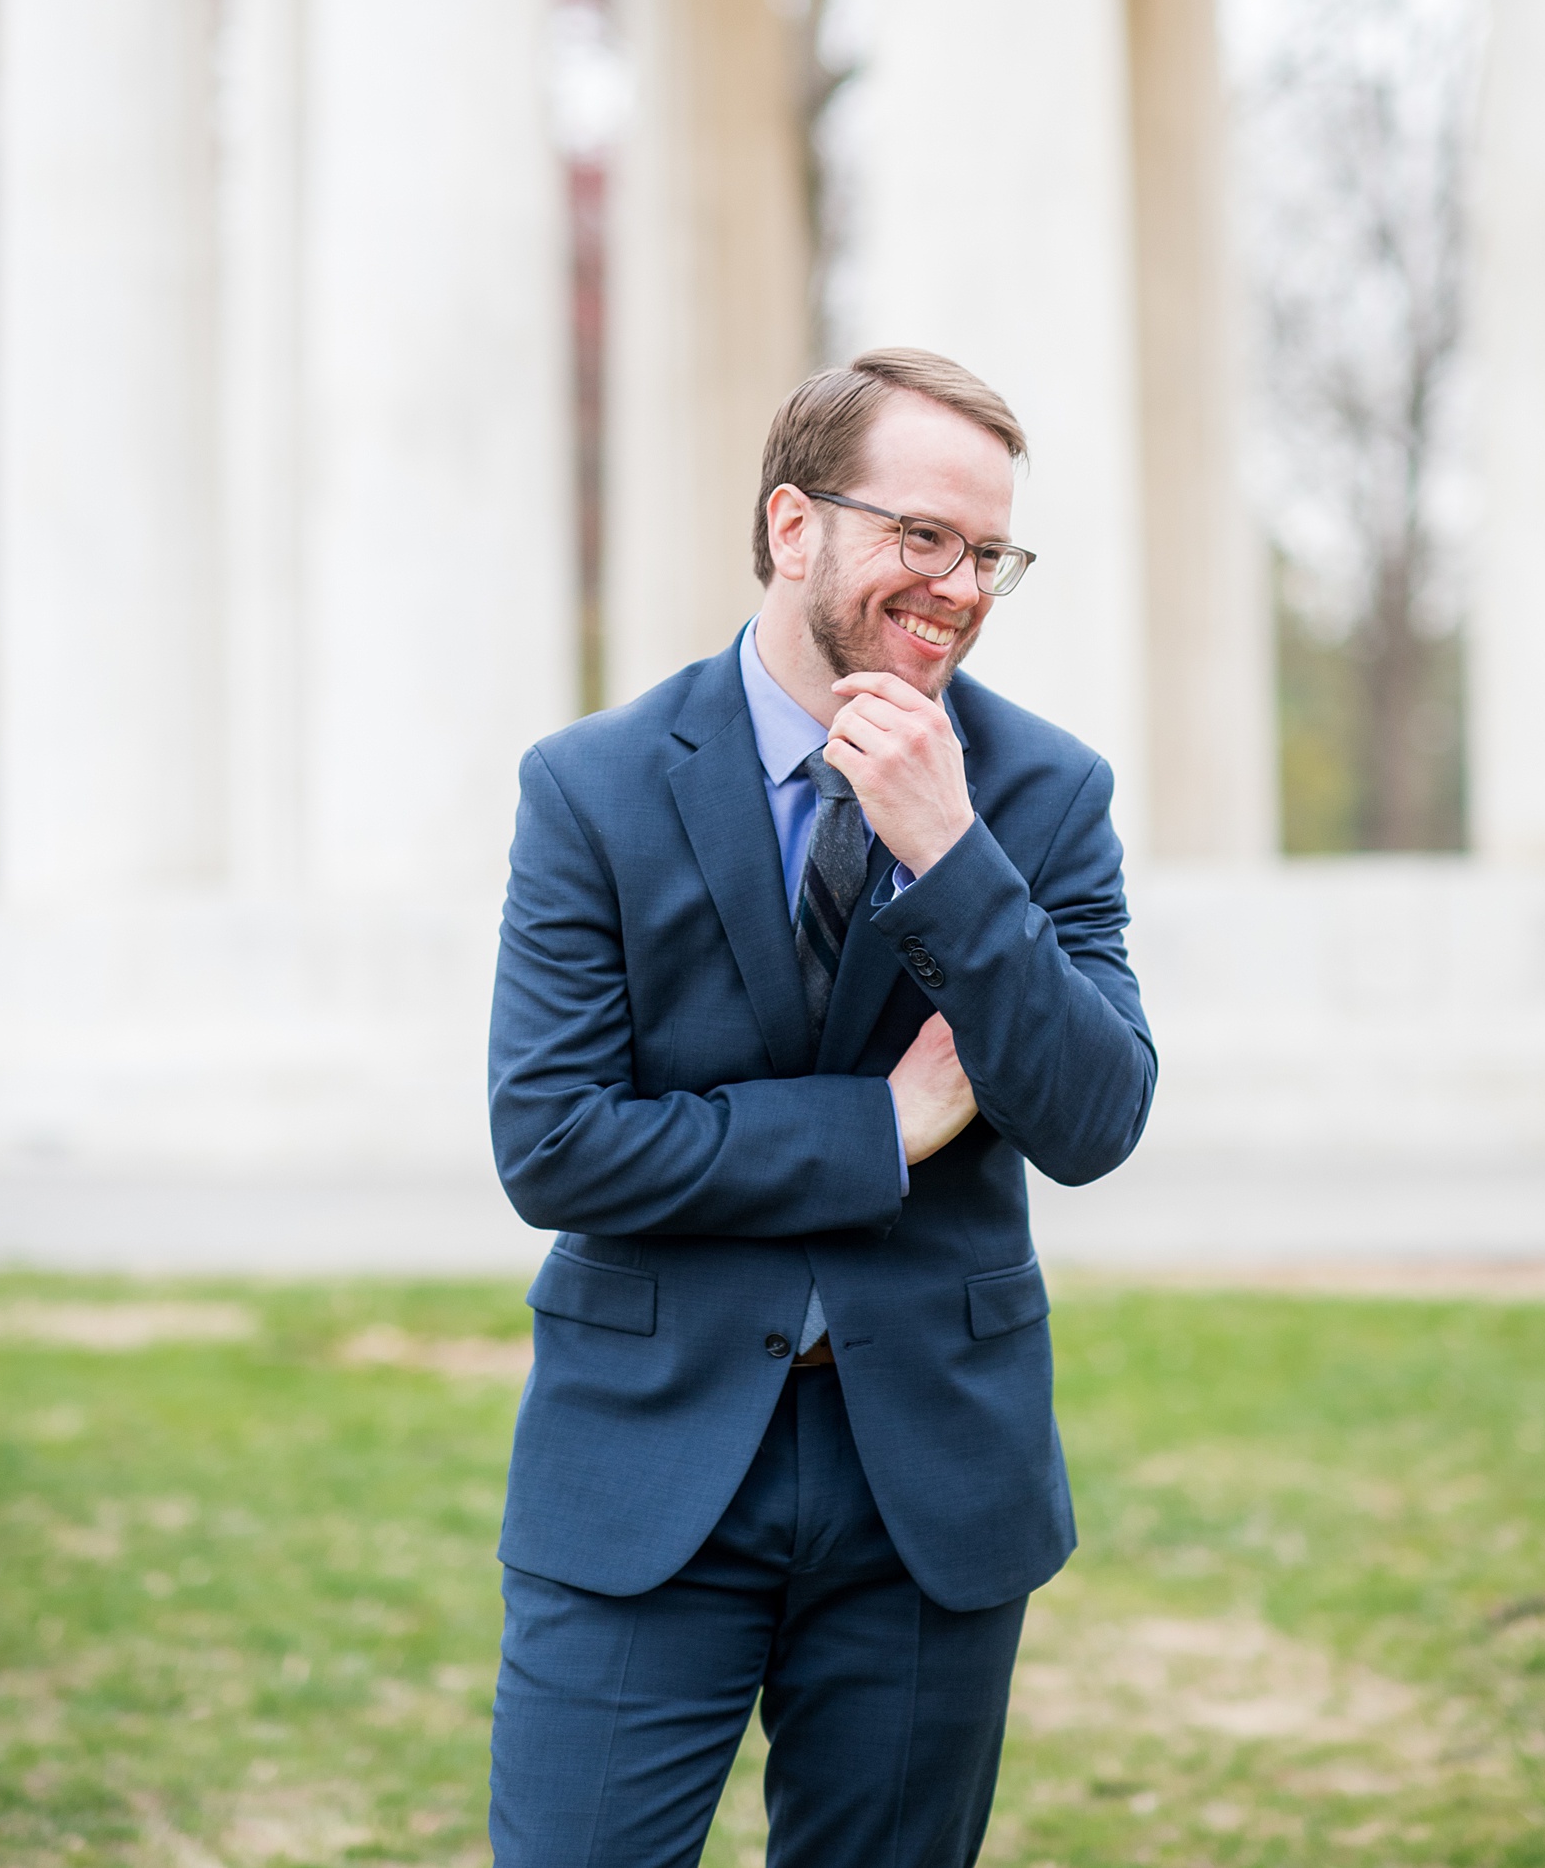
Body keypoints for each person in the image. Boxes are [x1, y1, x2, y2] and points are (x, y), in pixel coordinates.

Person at [487, 345, 1156, 1868]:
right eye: (923, 536)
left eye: (991, 551)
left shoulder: (1044, 794)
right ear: (796, 527)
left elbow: (1098, 1114)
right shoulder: (591, 785)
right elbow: (555, 1138)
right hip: (645, 1466)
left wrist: (954, 853)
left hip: (933, 1477)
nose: (962, 584)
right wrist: (883, 1132)